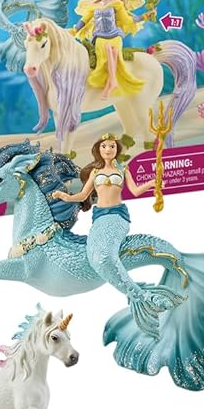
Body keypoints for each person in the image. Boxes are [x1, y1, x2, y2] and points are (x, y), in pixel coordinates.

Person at [52, 134, 177, 335]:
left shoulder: (122, 169)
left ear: (117, 149)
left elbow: (135, 191)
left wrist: (152, 183)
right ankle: (138, 293)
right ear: (99, 150)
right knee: (93, 254)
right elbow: (83, 195)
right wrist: (64, 196)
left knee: (105, 255)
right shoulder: (95, 172)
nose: (108, 150)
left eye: (112, 146)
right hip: (100, 217)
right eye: (104, 146)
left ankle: (140, 296)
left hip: (118, 217)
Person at [71, 0, 154, 100]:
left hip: (115, 34)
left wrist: (145, 16)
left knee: (113, 49)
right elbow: (84, 20)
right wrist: (75, 30)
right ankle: (112, 81)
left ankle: (112, 82)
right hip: (100, 37)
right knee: (107, 49)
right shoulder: (93, 6)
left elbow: (127, 20)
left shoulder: (116, 3)